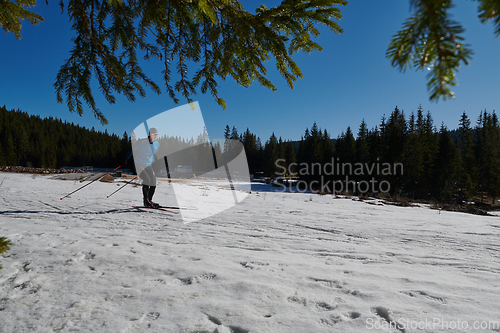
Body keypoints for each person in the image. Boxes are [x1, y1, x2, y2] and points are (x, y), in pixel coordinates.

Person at [134, 128, 161, 208]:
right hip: (138, 164)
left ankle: (149, 200)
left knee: (153, 182)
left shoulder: (157, 144)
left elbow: (154, 155)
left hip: (148, 165)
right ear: (150, 134)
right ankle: (145, 201)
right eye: (154, 134)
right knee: (147, 180)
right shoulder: (142, 142)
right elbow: (132, 150)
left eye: (157, 134)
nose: (156, 136)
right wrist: (126, 159)